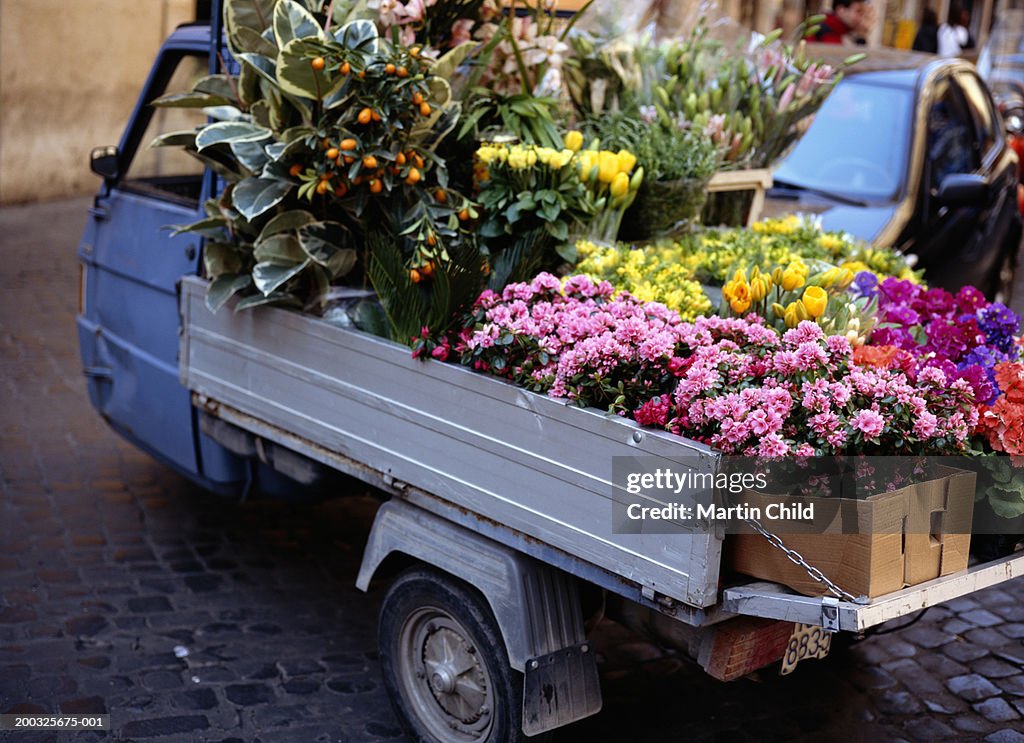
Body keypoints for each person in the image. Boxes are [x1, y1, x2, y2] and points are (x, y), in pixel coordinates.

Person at [808, 0, 874, 45]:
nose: (861, 17)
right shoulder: (819, 30)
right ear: (841, 10)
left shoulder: (853, 35)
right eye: (858, 11)